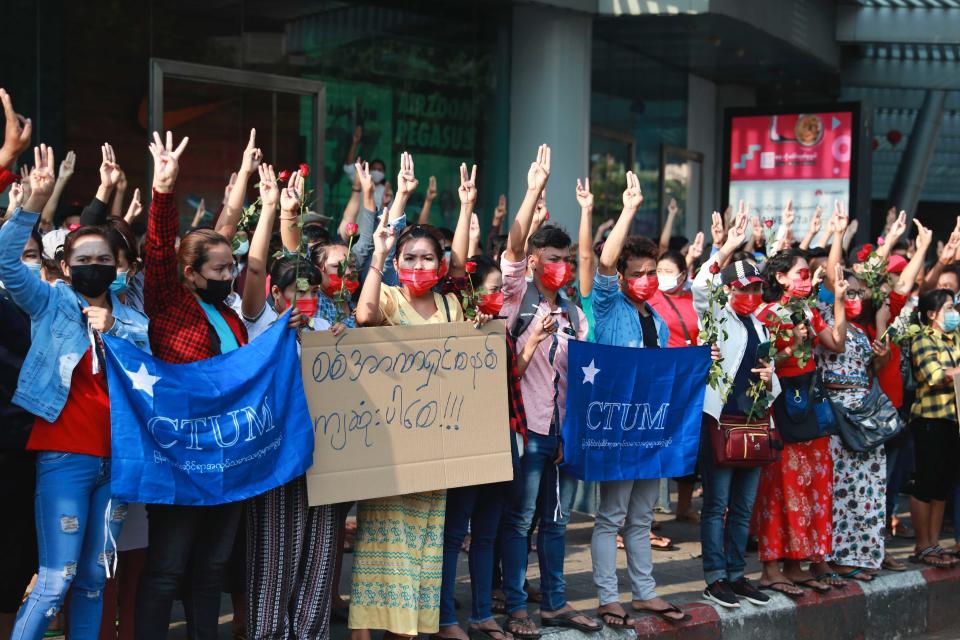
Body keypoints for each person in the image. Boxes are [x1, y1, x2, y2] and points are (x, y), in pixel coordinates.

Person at [2, 145, 150, 640]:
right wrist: (30, 205)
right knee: (56, 578)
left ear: (118, 267)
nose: (93, 266)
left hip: (118, 464)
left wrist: (114, 332)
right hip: (63, 457)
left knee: (92, 579)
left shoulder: (133, 323)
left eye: (103, 259)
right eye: (82, 259)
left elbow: (151, 378)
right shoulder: (49, 303)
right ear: (65, 268)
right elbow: (5, 263)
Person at [134, 131, 250, 640]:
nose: (230, 275)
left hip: (229, 458)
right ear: (190, 273)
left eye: (232, 266)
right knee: (167, 569)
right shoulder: (171, 302)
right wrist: (164, 188)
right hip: (181, 457)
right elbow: (159, 250)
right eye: (220, 269)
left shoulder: (233, 317)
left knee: (209, 572)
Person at [349, 151, 465, 640]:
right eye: (409, 258)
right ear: (398, 263)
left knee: (423, 543)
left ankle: (409, 629)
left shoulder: (452, 303)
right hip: (391, 447)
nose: (420, 264)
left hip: (434, 449)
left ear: (442, 264)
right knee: (384, 540)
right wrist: (376, 257)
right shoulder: (390, 296)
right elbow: (363, 318)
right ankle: (362, 629)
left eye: (428, 258)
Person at [498, 146, 595, 640]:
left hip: (560, 435)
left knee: (555, 525)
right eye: (553, 259)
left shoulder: (575, 314)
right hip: (525, 430)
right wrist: (534, 187)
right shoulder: (518, 296)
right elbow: (512, 250)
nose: (561, 266)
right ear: (536, 262)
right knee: (518, 523)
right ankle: (516, 607)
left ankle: (555, 604)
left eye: (566, 260)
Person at [589, 172, 685, 626]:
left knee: (642, 517)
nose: (647, 280)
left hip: (651, 428)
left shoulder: (660, 323)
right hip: (616, 426)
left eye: (652, 273)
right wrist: (628, 209)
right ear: (624, 277)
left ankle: (645, 593)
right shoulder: (607, 305)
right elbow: (605, 263)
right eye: (639, 273)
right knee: (612, 516)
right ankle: (609, 597)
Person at [435, 164, 518, 640]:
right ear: (470, 293)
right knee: (455, 534)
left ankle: (483, 612)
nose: (499, 297)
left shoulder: (501, 330)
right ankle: (447, 619)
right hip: (463, 440)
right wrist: (467, 206)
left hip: (503, 437)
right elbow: (455, 271)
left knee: (486, 533)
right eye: (491, 290)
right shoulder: (461, 317)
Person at [751, 211, 849, 597]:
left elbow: (836, 344)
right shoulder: (767, 314)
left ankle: (800, 561)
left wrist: (838, 301)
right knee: (781, 486)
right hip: (781, 403)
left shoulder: (808, 310)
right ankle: (772, 566)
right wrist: (791, 343)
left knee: (814, 484)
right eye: (801, 274)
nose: (808, 279)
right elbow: (762, 362)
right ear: (779, 278)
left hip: (810, 400)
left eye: (810, 274)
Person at [692, 213, 778, 609]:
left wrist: (769, 374)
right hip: (721, 422)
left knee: (743, 508)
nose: (751, 295)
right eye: (743, 288)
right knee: (716, 505)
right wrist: (727, 246)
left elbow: (771, 382)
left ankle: (736, 573)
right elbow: (701, 285)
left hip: (755, 423)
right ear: (728, 290)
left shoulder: (761, 327)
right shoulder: (716, 315)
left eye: (756, 289)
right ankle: (715, 578)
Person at [907, 288, 960, 568]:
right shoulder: (923, 340)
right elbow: (935, 375)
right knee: (926, 483)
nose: (954, 314)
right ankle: (922, 545)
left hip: (953, 419)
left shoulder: (955, 338)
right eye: (948, 308)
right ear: (931, 314)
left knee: (943, 485)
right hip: (930, 419)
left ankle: (935, 542)